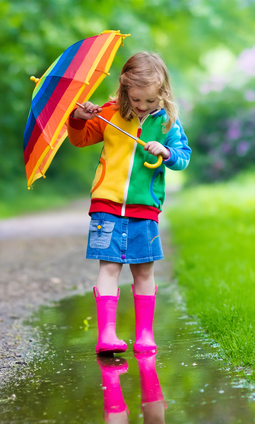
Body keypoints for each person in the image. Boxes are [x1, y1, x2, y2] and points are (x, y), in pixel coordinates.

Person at [67, 52, 191, 355]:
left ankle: (145, 335)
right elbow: (79, 139)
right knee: (109, 266)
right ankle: (106, 335)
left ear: (162, 93)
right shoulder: (108, 113)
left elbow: (183, 157)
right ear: (124, 90)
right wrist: (79, 118)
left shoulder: (167, 124)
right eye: (136, 100)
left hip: (144, 207)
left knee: (144, 271)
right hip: (106, 205)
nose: (142, 107)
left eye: (150, 101)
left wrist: (165, 152)